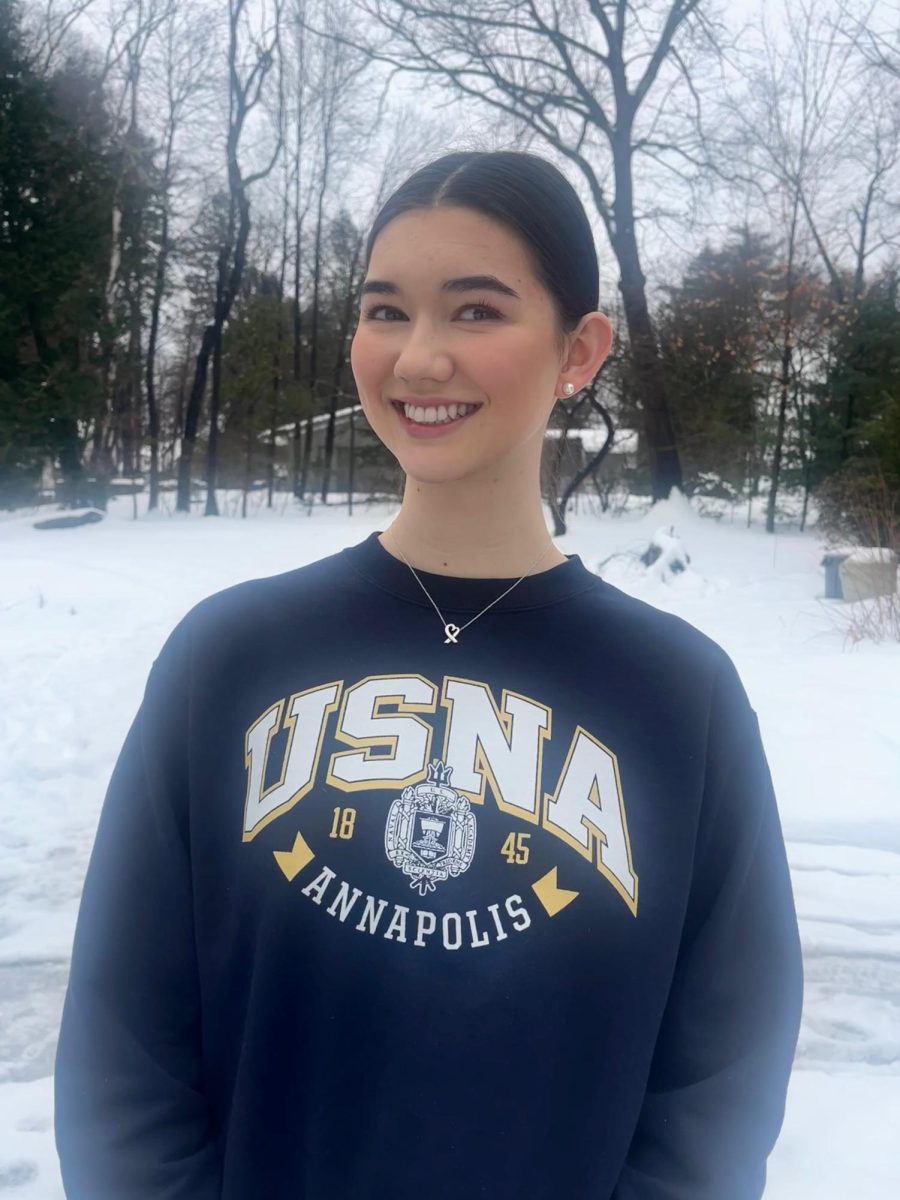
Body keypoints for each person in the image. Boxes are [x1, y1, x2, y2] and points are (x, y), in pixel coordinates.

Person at [54, 150, 803, 1200]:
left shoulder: (678, 694)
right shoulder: (230, 656)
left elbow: (721, 1078)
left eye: (477, 312)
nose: (419, 358)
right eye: (386, 311)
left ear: (580, 348)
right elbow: (124, 1043)